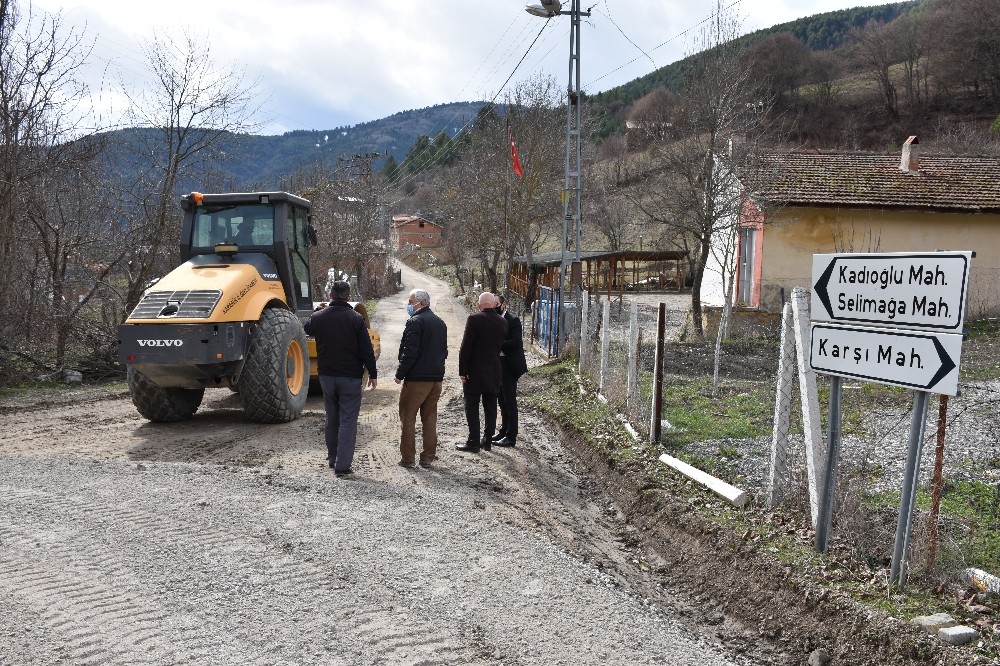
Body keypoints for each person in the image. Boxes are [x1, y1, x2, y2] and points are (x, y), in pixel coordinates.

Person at [304, 280, 378, 477]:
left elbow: (307, 329)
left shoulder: (319, 317)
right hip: (351, 377)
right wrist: (373, 373)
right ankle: (342, 466)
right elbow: (366, 350)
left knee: (332, 417)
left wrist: (316, 312)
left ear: (330, 296)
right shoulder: (355, 319)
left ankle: (332, 458)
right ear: (349, 297)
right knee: (348, 421)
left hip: (327, 375)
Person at [394, 288, 448, 468]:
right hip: (436, 379)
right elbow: (444, 352)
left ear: (420, 303)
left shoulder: (415, 322)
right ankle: (427, 458)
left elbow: (410, 351)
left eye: (410, 302)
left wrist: (400, 374)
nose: (408, 305)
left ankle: (408, 459)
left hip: (417, 379)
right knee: (430, 418)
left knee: (408, 418)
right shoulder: (440, 323)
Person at [456, 292, 507, 453]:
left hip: (474, 371)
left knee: (472, 406)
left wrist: (462, 371)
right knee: (491, 407)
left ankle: (473, 441)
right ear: (494, 304)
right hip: (494, 370)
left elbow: (466, 347)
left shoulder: (474, 319)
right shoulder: (503, 322)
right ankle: (487, 440)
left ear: (479, 305)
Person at [492, 295, 528, 447]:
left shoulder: (513, 320)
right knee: (501, 399)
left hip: (509, 364)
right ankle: (504, 430)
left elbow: (516, 342)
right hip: (498, 363)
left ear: (503, 304)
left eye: (496, 303)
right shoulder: (493, 319)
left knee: (509, 400)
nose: (494, 306)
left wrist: (497, 343)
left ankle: (511, 436)